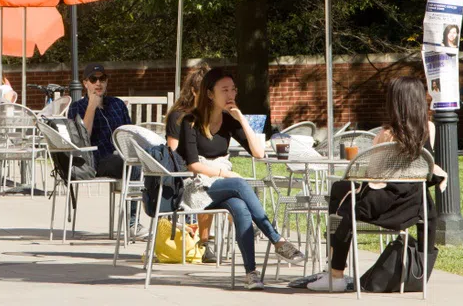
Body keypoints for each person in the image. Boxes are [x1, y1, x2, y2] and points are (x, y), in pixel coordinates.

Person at [307, 76, 447, 292]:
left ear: (395, 102)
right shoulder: (430, 128)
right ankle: (418, 276)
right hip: (416, 207)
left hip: (383, 207)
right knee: (342, 194)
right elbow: (424, 167)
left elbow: (374, 174)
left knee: (342, 198)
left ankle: (335, 273)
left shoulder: (385, 135)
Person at [176, 67, 304, 290]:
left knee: (241, 209)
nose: (230, 95)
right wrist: (224, 173)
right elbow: (192, 164)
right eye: (224, 90)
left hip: (221, 187)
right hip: (196, 187)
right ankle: (276, 239)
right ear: (209, 94)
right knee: (238, 182)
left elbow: (258, 153)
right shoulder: (190, 121)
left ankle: (251, 274)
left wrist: (242, 119)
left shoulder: (229, 121)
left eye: (233, 90)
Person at [67, 63, 147, 238]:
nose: (98, 83)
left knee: (148, 163)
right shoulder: (77, 107)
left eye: (102, 79)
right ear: (85, 83)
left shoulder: (117, 104)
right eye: (93, 79)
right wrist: (92, 107)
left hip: (123, 155)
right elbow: (82, 140)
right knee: (133, 166)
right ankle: (132, 223)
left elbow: (130, 132)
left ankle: (162, 217)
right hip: (97, 159)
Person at [165, 64, 214, 261]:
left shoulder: (211, 115)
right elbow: (173, 152)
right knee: (203, 183)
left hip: (206, 167)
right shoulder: (179, 117)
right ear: (193, 92)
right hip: (182, 174)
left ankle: (243, 221)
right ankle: (205, 242)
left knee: (218, 181)